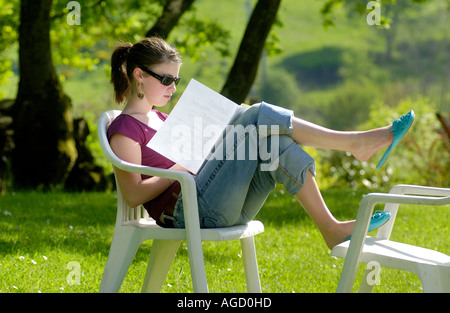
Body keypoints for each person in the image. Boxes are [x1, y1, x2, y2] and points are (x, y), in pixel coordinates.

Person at [107, 37, 414, 249]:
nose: (172, 88)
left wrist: (209, 144)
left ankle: (331, 228)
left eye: (176, 80)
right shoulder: (124, 129)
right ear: (139, 75)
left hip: (214, 203)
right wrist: (183, 164)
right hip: (187, 213)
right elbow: (133, 195)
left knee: (273, 145)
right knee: (253, 115)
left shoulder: (161, 119)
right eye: (166, 79)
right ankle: (353, 143)